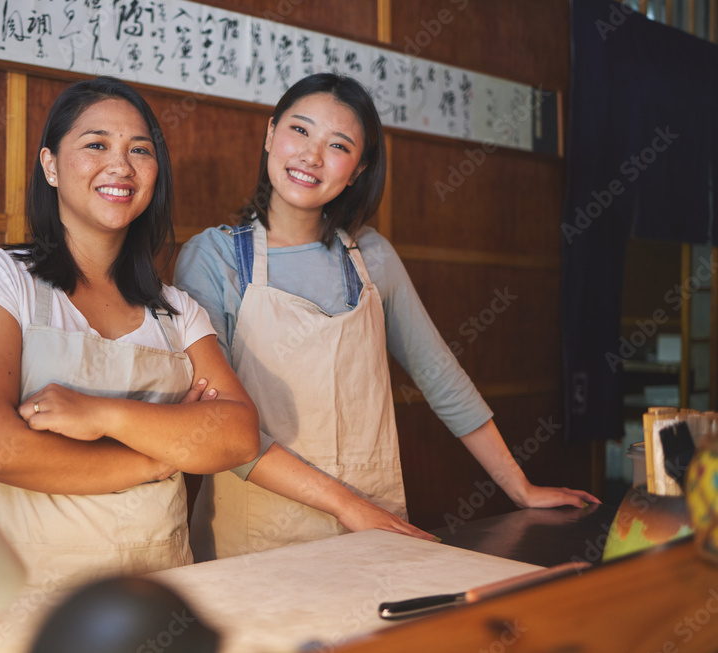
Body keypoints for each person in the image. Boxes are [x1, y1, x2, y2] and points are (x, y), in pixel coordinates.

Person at [174, 73, 599, 561]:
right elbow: (220, 426)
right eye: (300, 130)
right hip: (255, 539)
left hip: (373, 528)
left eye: (338, 144)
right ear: (271, 134)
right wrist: (347, 506)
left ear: (357, 170)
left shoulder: (371, 257)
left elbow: (441, 376)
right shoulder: (213, 257)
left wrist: (520, 488)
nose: (311, 156)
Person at [0, 77, 260, 590]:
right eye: (96, 144)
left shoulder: (177, 311)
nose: (120, 165)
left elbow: (237, 435)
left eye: (139, 150)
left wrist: (100, 413)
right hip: (12, 596)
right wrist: (158, 455)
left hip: (156, 591)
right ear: (50, 165)